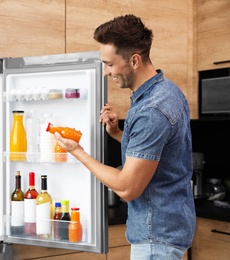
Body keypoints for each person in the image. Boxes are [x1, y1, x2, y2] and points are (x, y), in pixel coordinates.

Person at [54, 14, 195, 259]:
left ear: (135, 60)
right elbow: (156, 152)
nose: (106, 72)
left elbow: (127, 188)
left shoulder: (151, 111)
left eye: (109, 64)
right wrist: (118, 133)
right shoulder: (167, 91)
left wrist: (77, 151)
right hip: (170, 229)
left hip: (155, 238)